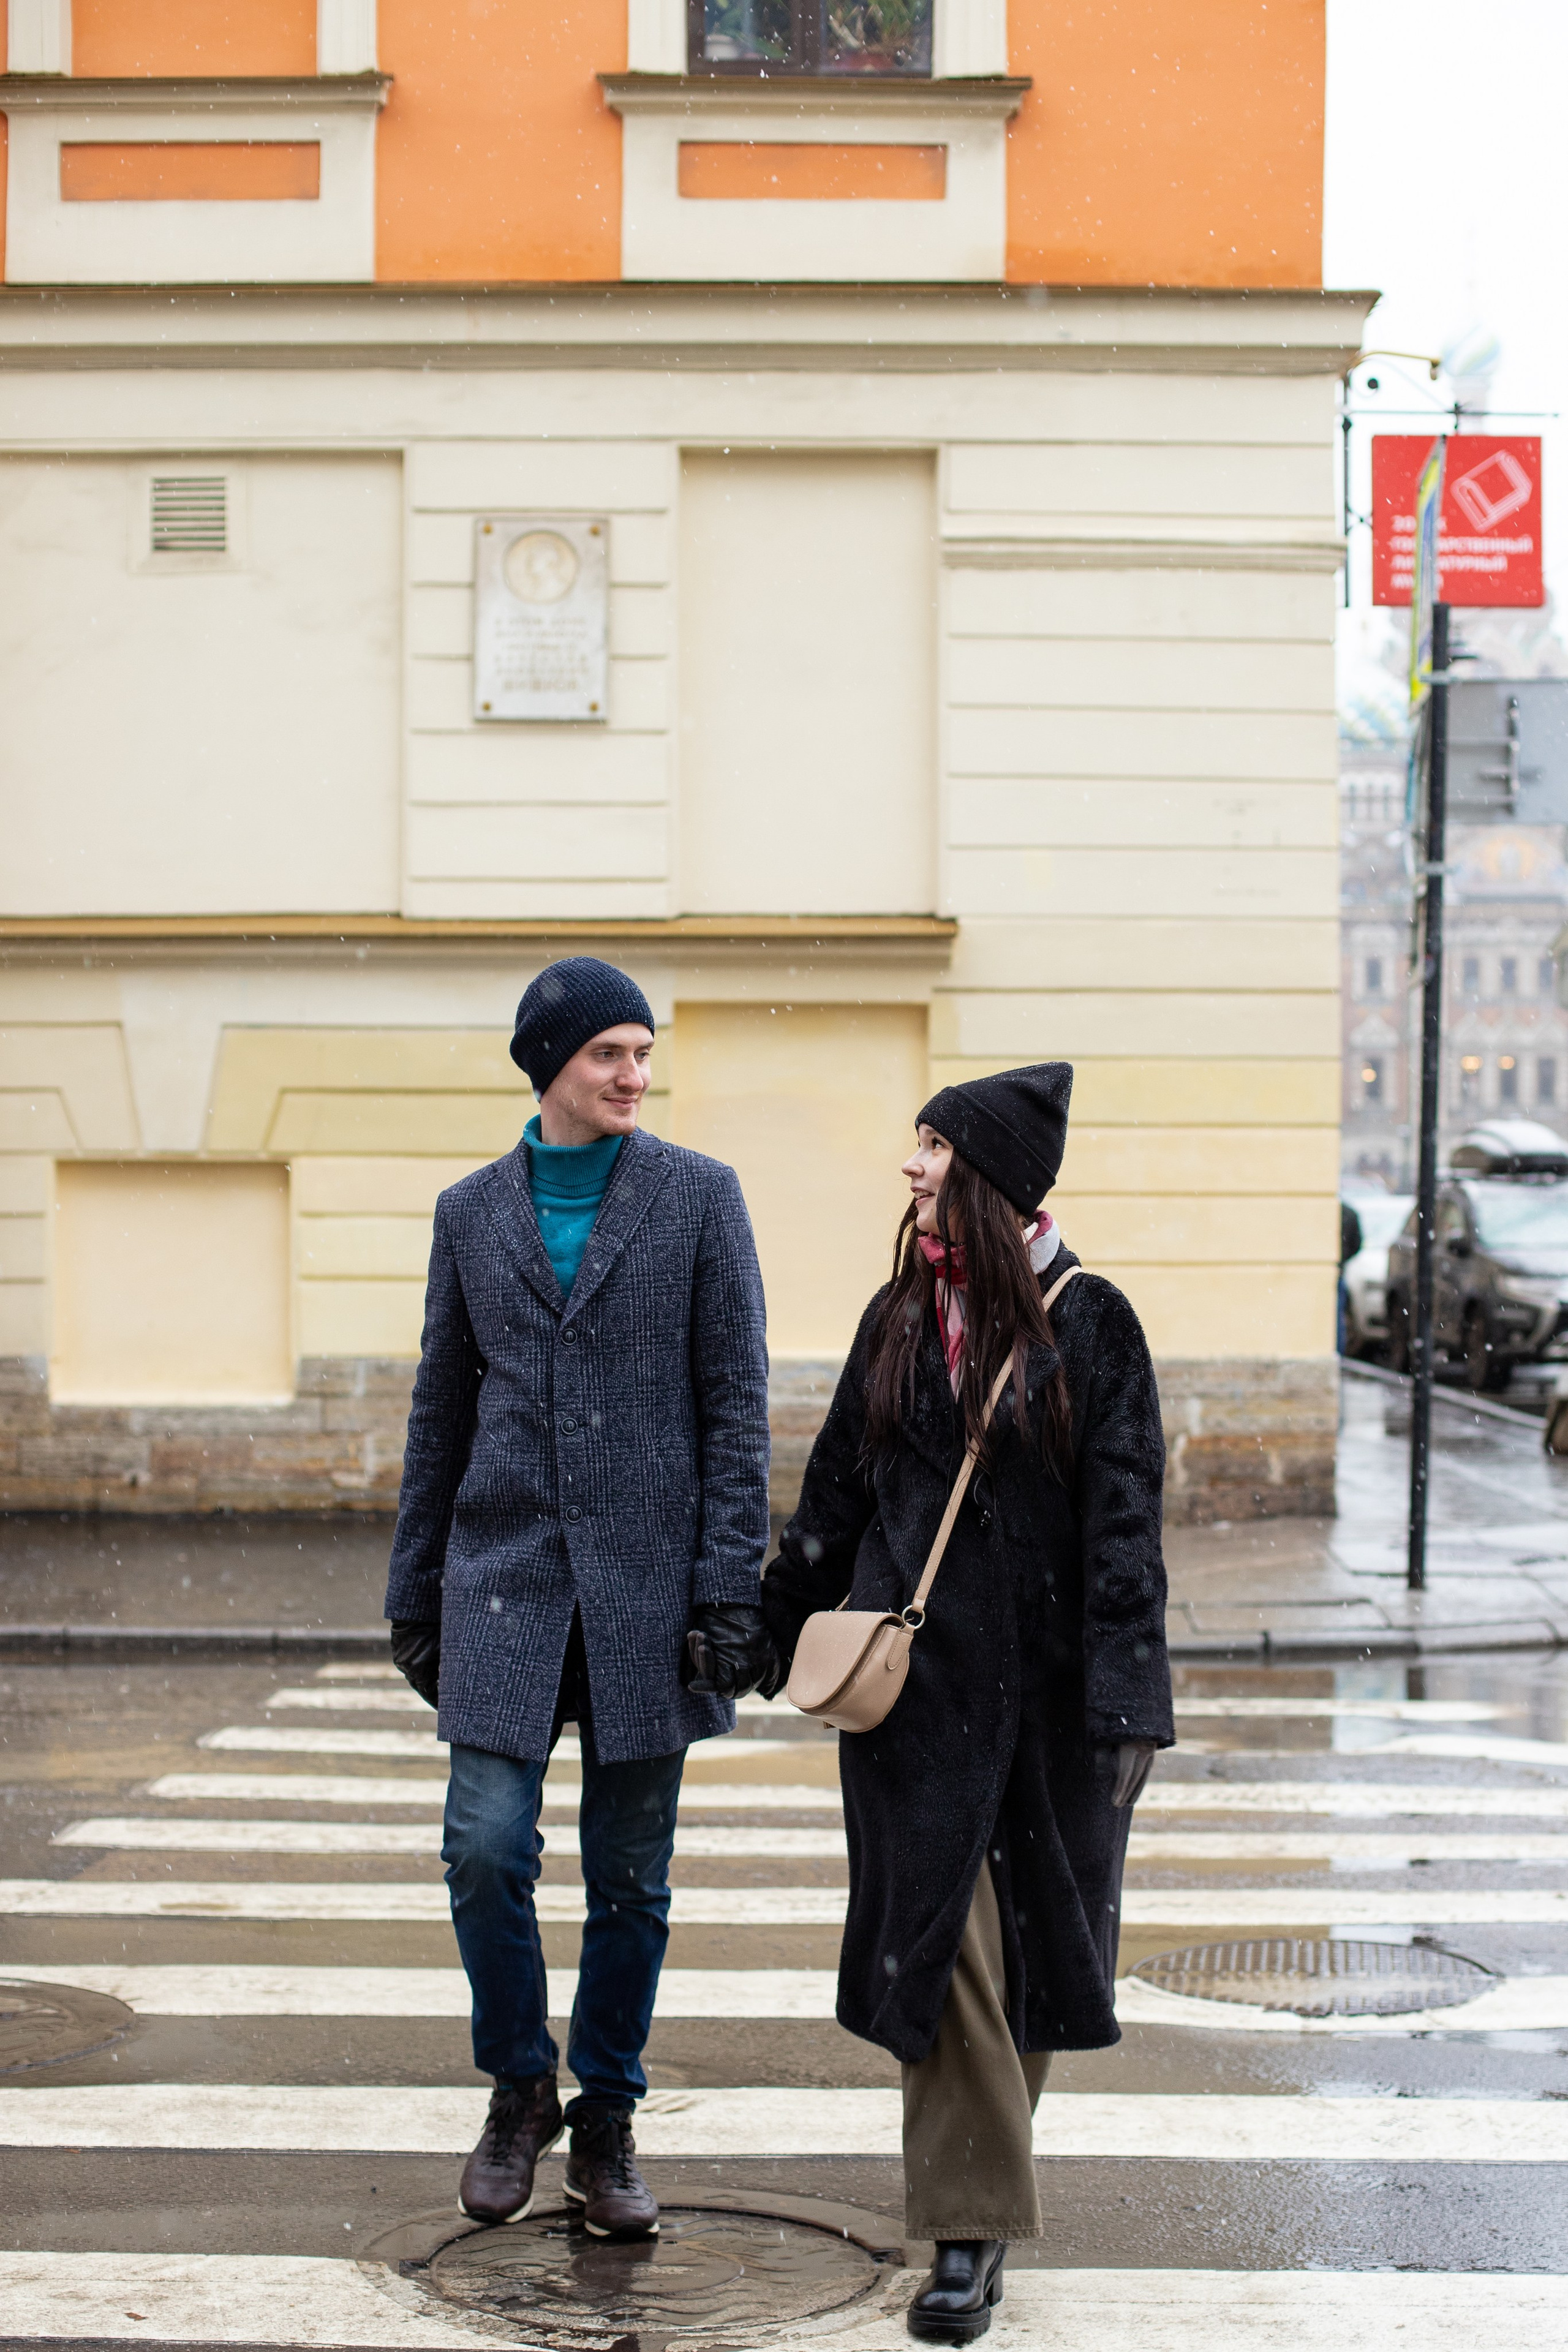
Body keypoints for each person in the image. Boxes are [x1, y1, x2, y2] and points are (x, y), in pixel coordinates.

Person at [761, 1063, 1173, 2343]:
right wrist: (751, 1637)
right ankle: (965, 2234)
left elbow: (1123, 1527)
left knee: (1030, 1965)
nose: (911, 1166)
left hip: (1047, 1708)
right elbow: (833, 1500)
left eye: (933, 1145)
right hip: (915, 1704)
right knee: (944, 1962)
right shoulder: (895, 1317)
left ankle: (974, 2207)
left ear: (987, 1175)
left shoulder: (1089, 1322)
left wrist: (1126, 1703)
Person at [384, 957, 780, 2239]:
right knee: (481, 1846)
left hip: (648, 1594)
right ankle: (518, 2088)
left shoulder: (698, 1198)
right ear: (548, 1062)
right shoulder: (468, 1211)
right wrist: (415, 1587)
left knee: (629, 1876)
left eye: (642, 1051)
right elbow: (440, 1407)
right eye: (610, 1052)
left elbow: (736, 1407)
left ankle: (604, 2120)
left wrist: (730, 1589)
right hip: (500, 1584)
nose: (634, 1074)